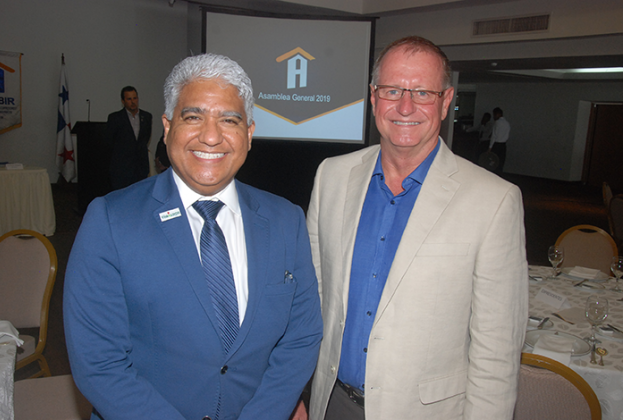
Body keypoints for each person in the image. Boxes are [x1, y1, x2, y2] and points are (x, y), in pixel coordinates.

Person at [64, 53, 322, 420]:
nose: (211, 136)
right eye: (193, 117)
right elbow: (99, 363)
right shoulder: (110, 220)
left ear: (249, 134)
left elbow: (301, 338)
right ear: (167, 127)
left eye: (229, 120)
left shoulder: (286, 220)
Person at [306, 36, 528, 420]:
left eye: (423, 93)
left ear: (445, 101)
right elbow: (312, 299)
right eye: (392, 90)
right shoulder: (332, 176)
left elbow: (496, 352)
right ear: (374, 97)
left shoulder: (494, 201)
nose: (405, 107)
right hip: (332, 402)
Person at [106, 86, 153, 190]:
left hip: (140, 168)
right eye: (129, 99)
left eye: (135, 98)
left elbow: (145, 139)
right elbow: (110, 142)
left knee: (140, 195)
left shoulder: (146, 117)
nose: (133, 102)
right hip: (121, 169)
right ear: (123, 101)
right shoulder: (115, 118)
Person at [488, 107, 511, 173]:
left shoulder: (497, 123)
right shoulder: (507, 123)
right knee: (501, 163)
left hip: (496, 145)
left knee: (494, 163)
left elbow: (494, 136)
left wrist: (490, 147)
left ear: (497, 114)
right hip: (503, 145)